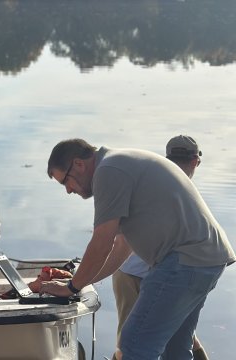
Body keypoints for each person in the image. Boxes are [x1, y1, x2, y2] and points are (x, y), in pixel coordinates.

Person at [41, 138, 234, 360]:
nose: (67, 190)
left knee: (134, 345)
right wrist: (83, 282)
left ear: (78, 164)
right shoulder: (121, 162)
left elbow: (101, 241)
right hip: (206, 260)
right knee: (176, 349)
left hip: (183, 262)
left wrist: (71, 287)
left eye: (65, 181)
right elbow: (121, 248)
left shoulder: (108, 171)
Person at [110, 135, 207, 360]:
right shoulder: (189, 194)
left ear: (167, 158)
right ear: (196, 161)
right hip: (142, 275)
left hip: (139, 273)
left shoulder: (156, 182)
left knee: (137, 340)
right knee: (136, 342)